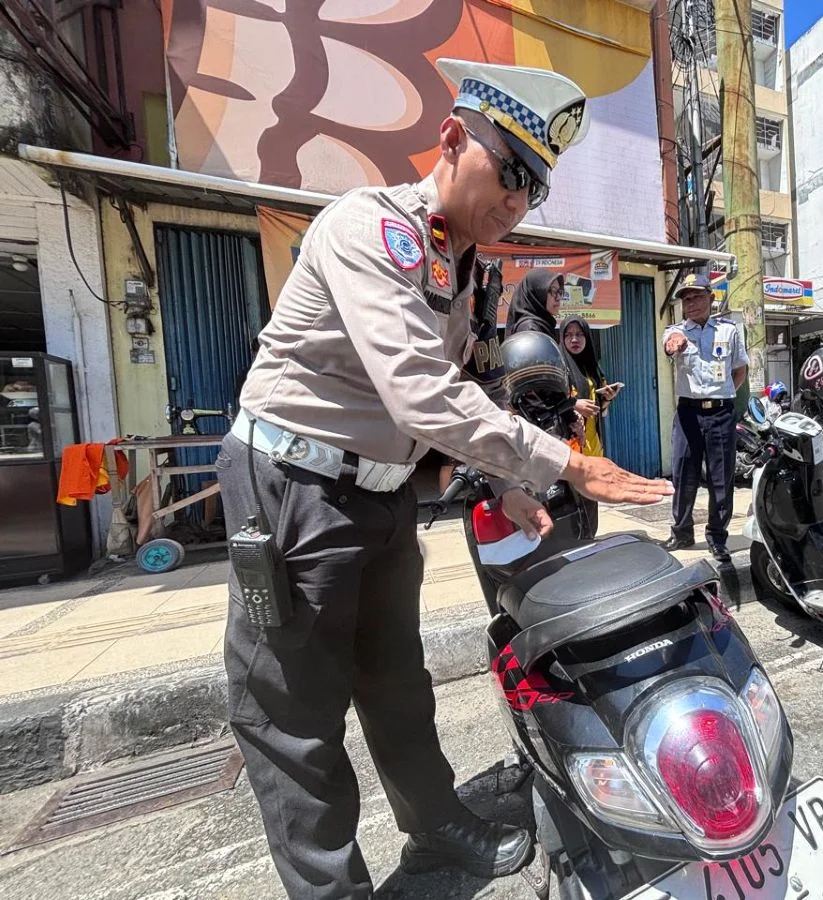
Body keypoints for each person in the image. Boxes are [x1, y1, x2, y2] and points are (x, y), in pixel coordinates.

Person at [216, 57, 673, 899]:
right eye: (508, 174)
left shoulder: (459, 267)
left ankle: (436, 827)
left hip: (381, 495)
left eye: (532, 189)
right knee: (293, 716)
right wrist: (571, 463)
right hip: (291, 485)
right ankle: (333, 890)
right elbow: (421, 392)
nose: (516, 202)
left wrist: (504, 481)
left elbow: (456, 389)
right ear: (453, 138)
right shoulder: (370, 229)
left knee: (396, 679)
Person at [661, 273, 748, 563]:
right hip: (688, 413)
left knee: (721, 479)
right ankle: (682, 531)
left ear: (711, 298)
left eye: (697, 296)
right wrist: (674, 344)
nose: (691, 303)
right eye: (686, 299)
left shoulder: (729, 331)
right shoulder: (675, 331)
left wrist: (722, 394)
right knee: (683, 474)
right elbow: (669, 344)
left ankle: (717, 537)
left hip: (721, 414)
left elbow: (739, 369)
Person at [561, 315, 620, 536]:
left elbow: (600, 412)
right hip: (571, 446)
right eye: (568, 335)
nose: (574, 339)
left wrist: (607, 399)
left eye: (579, 334)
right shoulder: (560, 368)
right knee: (571, 500)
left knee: (590, 500)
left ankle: (587, 539)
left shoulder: (593, 369)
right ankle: (574, 543)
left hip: (593, 443)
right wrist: (574, 404)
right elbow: (552, 403)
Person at [505, 269, 563, 337]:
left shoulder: (542, 325)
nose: (558, 297)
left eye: (560, 292)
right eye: (553, 291)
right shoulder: (530, 330)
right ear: (536, 294)